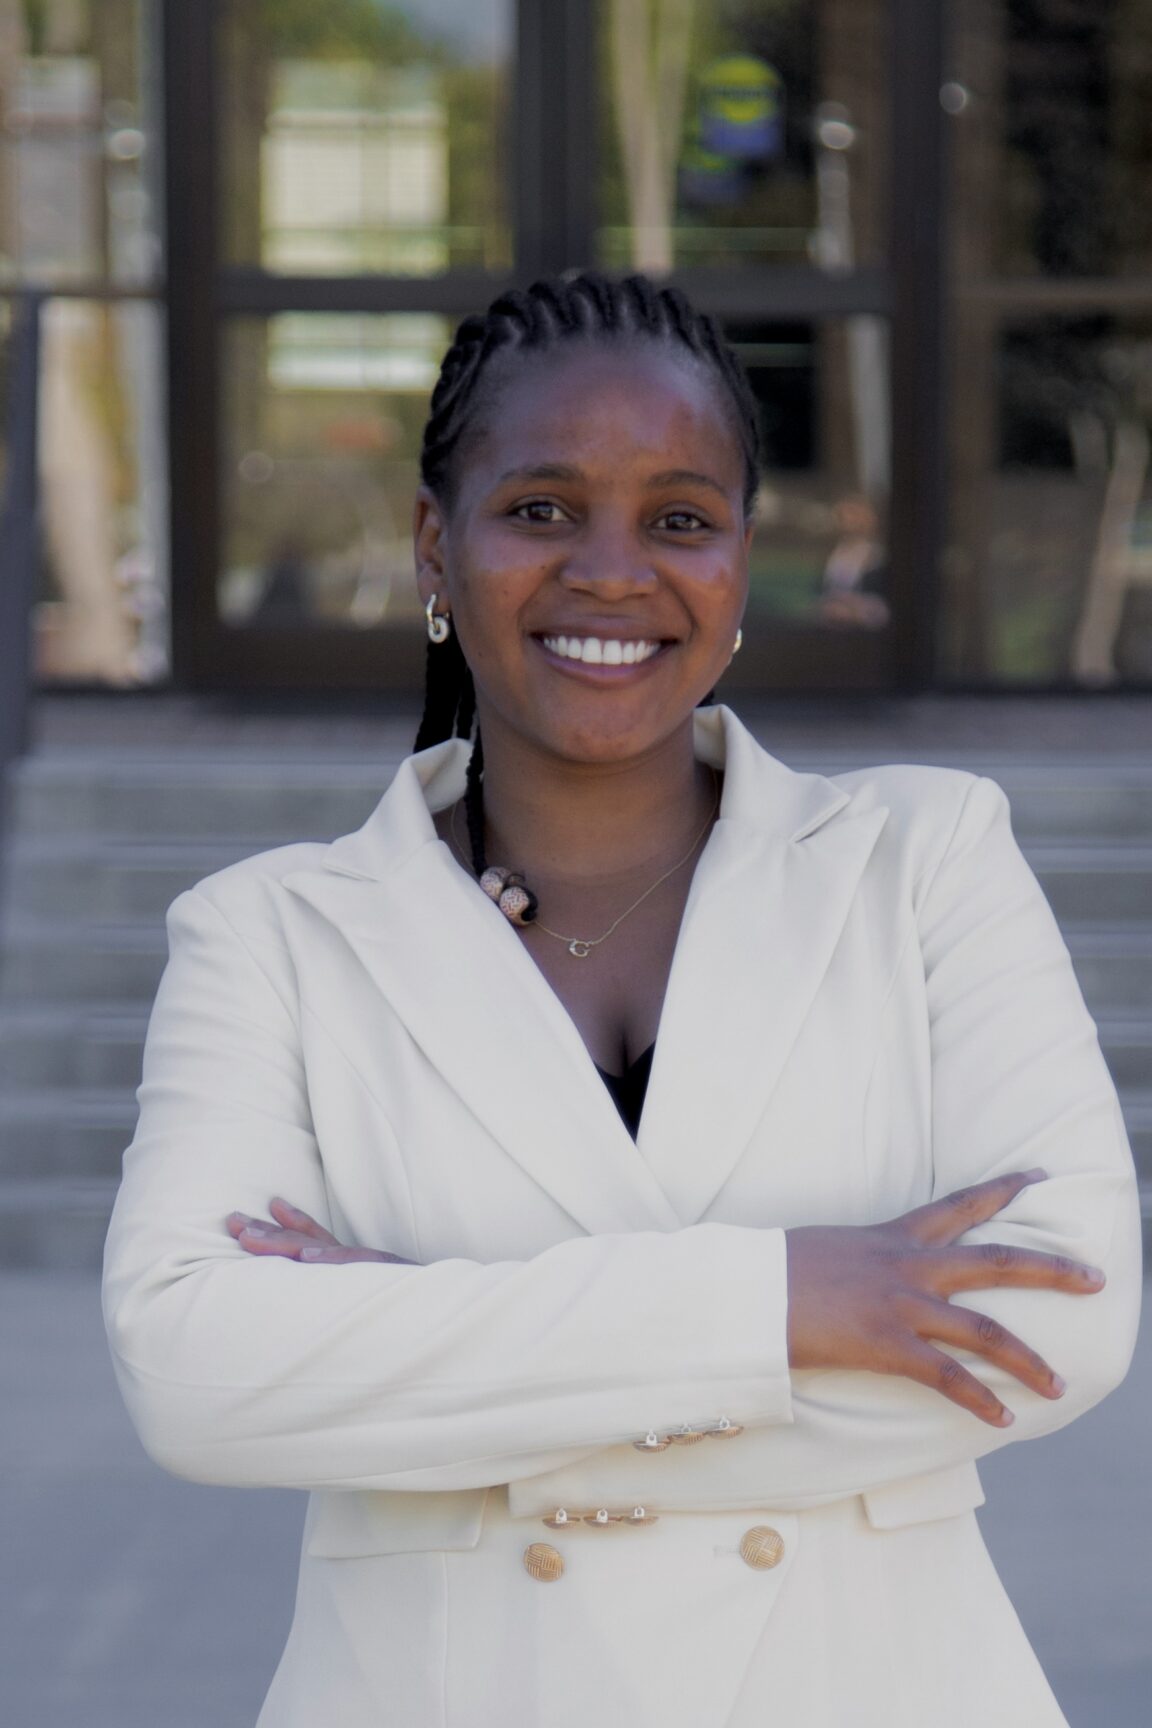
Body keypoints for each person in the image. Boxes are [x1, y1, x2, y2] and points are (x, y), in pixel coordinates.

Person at [102, 273, 1142, 1728]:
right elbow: (197, 1375)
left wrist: (416, 1346)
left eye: (678, 518)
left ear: (736, 559)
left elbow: (1062, 1321)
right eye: (539, 510)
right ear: (434, 548)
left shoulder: (926, 863)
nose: (611, 571)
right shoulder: (269, 935)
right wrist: (784, 1305)